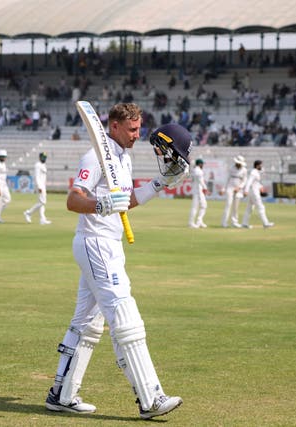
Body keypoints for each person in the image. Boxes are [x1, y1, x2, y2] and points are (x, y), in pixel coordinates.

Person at [44, 105, 188, 420]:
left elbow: (125, 201)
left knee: (87, 325)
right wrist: (100, 203)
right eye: (133, 130)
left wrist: (158, 184)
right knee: (125, 317)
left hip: (109, 245)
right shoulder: (95, 156)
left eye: (139, 129)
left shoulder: (123, 156)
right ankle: (150, 398)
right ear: (114, 126)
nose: (138, 135)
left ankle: (61, 394)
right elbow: (72, 200)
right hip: (96, 245)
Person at [242, 160, 274, 228]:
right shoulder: (254, 172)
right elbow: (249, 182)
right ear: (257, 165)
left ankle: (244, 223)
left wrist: (261, 187)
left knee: (249, 208)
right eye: (261, 165)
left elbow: (256, 181)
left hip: (253, 191)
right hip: (254, 192)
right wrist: (246, 191)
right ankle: (266, 223)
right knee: (261, 207)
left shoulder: (256, 172)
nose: (262, 166)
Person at [24, 152, 51, 225]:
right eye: (43, 157)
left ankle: (42, 219)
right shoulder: (37, 165)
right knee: (42, 202)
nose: (44, 158)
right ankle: (28, 213)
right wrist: (39, 186)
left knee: (42, 203)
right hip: (40, 186)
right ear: (39, 157)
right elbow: (36, 176)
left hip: (43, 185)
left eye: (45, 157)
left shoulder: (44, 165)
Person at [221, 155, 247, 228]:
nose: (238, 164)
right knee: (228, 204)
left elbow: (244, 180)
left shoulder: (244, 170)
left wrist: (239, 187)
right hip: (230, 187)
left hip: (238, 189)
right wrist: (223, 189)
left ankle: (234, 222)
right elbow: (227, 179)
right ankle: (224, 222)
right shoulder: (231, 168)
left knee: (236, 206)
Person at [189, 158, 209, 228]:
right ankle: (191, 223)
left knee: (204, 205)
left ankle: (199, 221)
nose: (203, 165)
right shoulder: (198, 171)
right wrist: (205, 188)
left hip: (197, 190)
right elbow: (201, 181)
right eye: (202, 164)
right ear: (200, 164)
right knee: (195, 207)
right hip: (197, 191)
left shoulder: (196, 170)